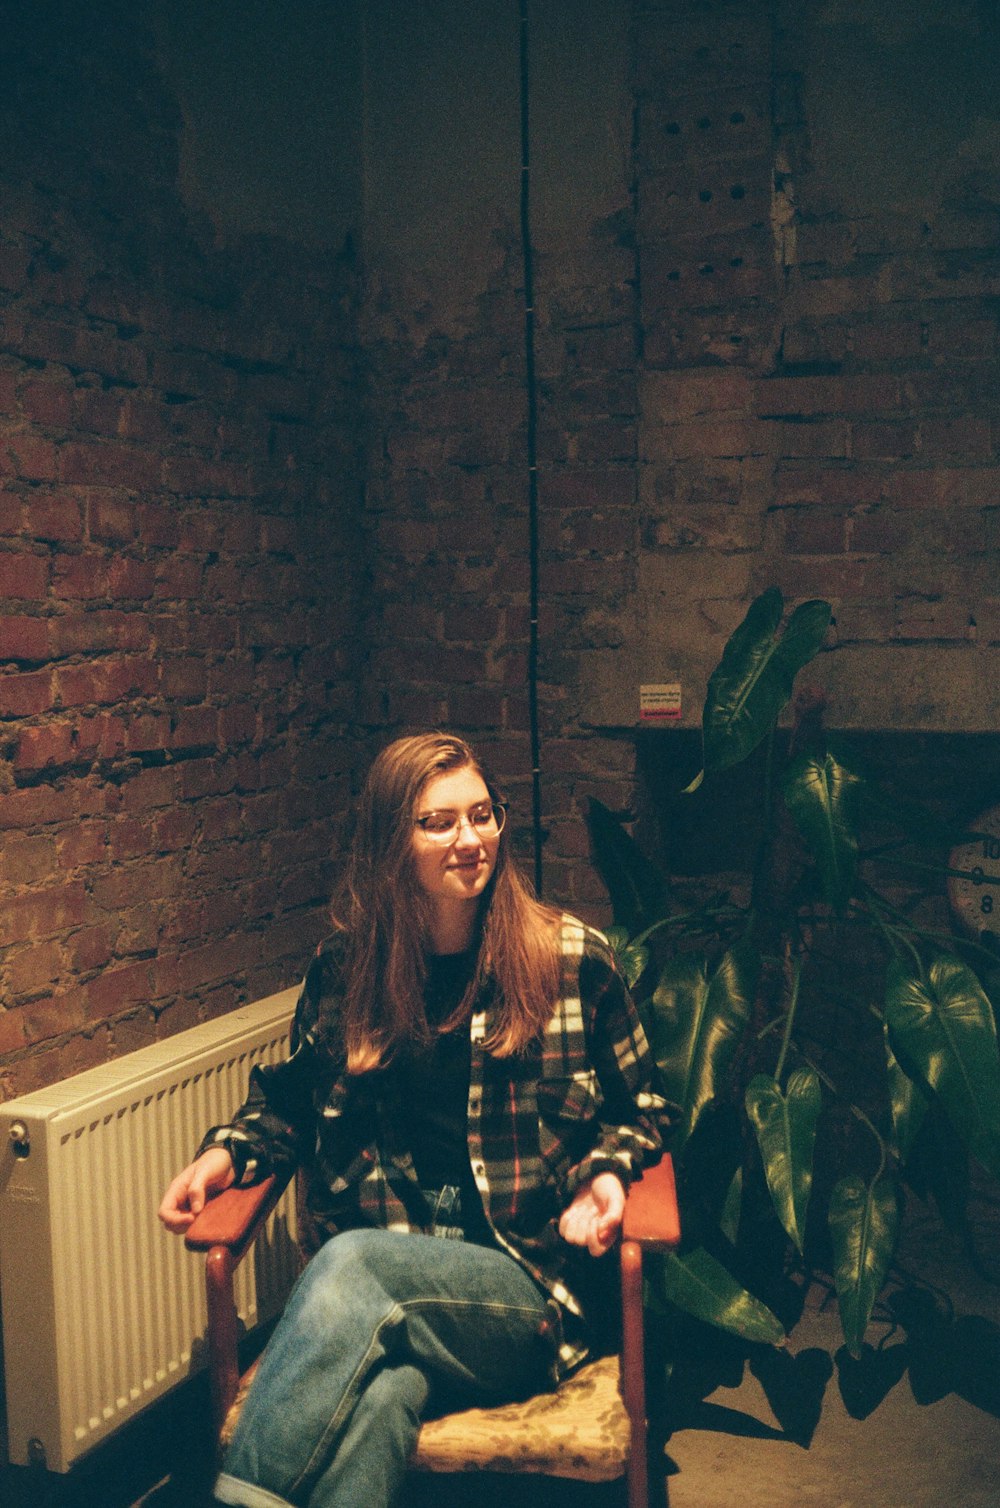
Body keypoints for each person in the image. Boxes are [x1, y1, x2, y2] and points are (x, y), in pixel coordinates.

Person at [159, 731, 670, 1508]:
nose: (471, 840)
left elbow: (645, 1107)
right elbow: (289, 1102)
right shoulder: (346, 968)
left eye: (484, 815)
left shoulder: (572, 959)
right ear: (391, 843)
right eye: (439, 822)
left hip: (517, 1295)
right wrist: (226, 1157)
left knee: (355, 1264)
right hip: (381, 1297)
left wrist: (606, 1172)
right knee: (383, 1395)